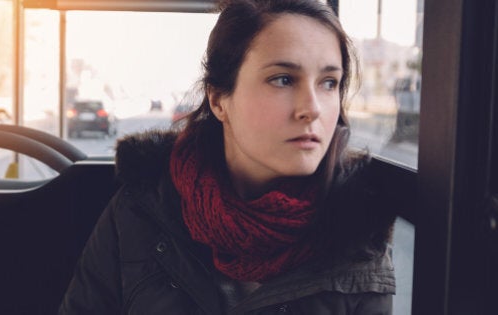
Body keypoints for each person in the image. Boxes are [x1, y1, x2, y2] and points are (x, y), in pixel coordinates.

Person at [58, 0, 397, 313]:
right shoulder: (142, 210)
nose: (312, 109)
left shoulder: (359, 238)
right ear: (219, 100)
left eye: (328, 83)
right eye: (282, 79)